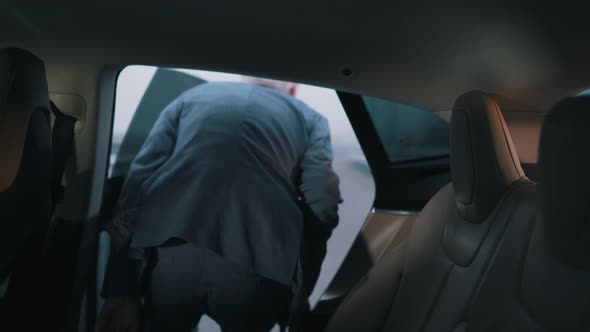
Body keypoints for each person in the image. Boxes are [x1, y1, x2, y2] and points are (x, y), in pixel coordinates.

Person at [96, 77, 342, 332]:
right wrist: (301, 284)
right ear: (293, 90)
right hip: (260, 262)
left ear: (247, 79)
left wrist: (123, 277)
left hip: (172, 250)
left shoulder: (191, 98)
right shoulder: (310, 118)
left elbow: (141, 178)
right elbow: (323, 200)